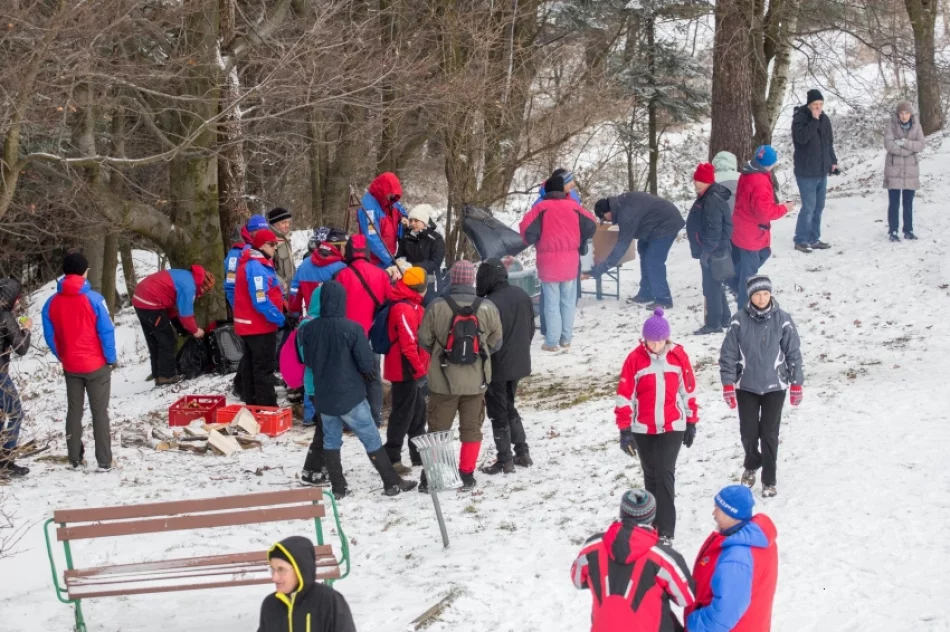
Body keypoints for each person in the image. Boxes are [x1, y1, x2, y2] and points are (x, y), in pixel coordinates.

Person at [298, 280, 416, 497]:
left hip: (324, 394)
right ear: (343, 301)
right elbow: (365, 363)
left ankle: (339, 487)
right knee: (370, 437)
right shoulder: (352, 329)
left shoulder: (308, 330)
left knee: (331, 440)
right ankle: (391, 482)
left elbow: (306, 360)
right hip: (350, 393)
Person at [614, 308, 698, 543]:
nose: (656, 345)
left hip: (672, 425)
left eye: (660, 341)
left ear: (667, 338)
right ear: (644, 339)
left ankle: (666, 531)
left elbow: (688, 391)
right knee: (650, 475)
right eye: (651, 341)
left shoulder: (678, 357)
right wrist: (625, 429)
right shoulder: (635, 359)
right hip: (643, 428)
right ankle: (651, 523)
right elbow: (624, 395)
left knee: (664, 474)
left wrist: (691, 421)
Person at [419, 260, 503, 491]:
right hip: (476, 382)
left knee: (437, 431)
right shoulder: (487, 307)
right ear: (472, 280)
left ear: (453, 279)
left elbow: (424, 339)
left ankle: (432, 476)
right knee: (472, 429)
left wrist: (439, 352)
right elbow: (496, 341)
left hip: (442, 381)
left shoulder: (437, 305)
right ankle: (467, 474)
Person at [720, 276, 803, 497]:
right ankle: (752, 461)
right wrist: (728, 384)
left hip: (775, 385)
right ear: (750, 296)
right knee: (748, 432)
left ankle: (769, 479)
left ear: (771, 294)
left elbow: (793, 353)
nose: (762, 298)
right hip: (746, 385)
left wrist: (796, 383)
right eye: (757, 294)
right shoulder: (739, 320)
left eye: (765, 293)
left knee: (769, 433)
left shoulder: (783, 319)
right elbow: (727, 354)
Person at [571, 489, 695, 631]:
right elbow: (686, 597)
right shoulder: (663, 558)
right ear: (651, 517)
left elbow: (577, 580)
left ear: (621, 513)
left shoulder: (592, 547)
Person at [42, 253, 117, 471]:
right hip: (96, 365)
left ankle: (74, 457)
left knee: (74, 411)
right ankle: (104, 461)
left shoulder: (51, 303)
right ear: (84, 271)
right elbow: (107, 331)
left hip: (71, 365)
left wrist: (62, 355)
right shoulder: (94, 299)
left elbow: (50, 335)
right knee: (99, 412)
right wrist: (110, 358)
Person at [519, 174, 597, 351]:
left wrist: (535, 239)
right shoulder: (574, 207)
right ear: (562, 189)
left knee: (552, 303)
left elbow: (525, 230)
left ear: (546, 190)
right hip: (570, 262)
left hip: (548, 264)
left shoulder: (541, 208)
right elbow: (592, 224)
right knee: (568, 302)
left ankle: (552, 342)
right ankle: (566, 339)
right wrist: (581, 239)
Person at [685, 486, 778, 632]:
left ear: (731, 514)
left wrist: (693, 623)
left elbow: (724, 615)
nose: (713, 513)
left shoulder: (737, 558)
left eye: (718, 509)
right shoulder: (757, 539)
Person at [476, 259, 536, 473]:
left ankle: (505, 459)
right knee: (509, 405)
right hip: (518, 361)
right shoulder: (521, 295)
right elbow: (531, 329)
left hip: (498, 364)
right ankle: (522, 451)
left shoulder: (488, 304)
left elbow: (485, 339)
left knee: (499, 410)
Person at [590, 192, 685, 311]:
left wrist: (600, 269)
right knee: (643, 250)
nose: (607, 221)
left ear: (607, 211)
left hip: (666, 223)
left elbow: (622, 246)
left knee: (653, 261)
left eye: (604, 218)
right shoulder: (620, 205)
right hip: (653, 225)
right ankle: (646, 293)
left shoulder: (625, 213)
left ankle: (664, 299)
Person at [336, 234, 391, 426]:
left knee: (348, 376)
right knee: (373, 376)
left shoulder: (341, 275)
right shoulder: (381, 274)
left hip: (347, 335)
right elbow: (387, 304)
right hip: (372, 334)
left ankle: (349, 419)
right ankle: (375, 416)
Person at [730, 145, 793, 310]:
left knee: (763, 253)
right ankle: (744, 308)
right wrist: (784, 208)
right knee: (749, 274)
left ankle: (731, 280)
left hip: (743, 226)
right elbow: (764, 213)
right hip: (751, 231)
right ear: (769, 164)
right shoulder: (759, 181)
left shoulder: (749, 171)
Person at [132, 264, 214, 386]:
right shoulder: (189, 287)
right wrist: (195, 330)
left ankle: (158, 375)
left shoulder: (185, 276)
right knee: (167, 340)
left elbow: (170, 305)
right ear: (202, 285)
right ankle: (167, 376)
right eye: (205, 290)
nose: (202, 293)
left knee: (154, 341)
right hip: (151, 302)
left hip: (140, 299)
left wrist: (179, 326)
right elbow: (186, 314)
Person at [382, 267, 430, 474]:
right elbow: (409, 345)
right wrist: (420, 372)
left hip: (412, 368)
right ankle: (392, 457)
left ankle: (418, 454)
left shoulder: (413, 305)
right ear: (422, 288)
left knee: (418, 413)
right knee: (402, 414)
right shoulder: (404, 309)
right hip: (404, 370)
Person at [259, 535, 356, 632]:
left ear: (300, 569)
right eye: (272, 569)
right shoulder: (270, 605)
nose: (274, 577)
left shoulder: (329, 601)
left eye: (281, 569)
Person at [234, 229, 285, 406]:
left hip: (250, 325)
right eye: (272, 245)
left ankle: (253, 402)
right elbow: (261, 300)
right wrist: (280, 318)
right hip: (259, 326)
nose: (275, 249)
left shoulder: (257, 263)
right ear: (262, 245)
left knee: (250, 365)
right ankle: (266, 406)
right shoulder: (256, 267)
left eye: (275, 245)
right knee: (263, 368)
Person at [686, 163, 733, 335]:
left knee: (711, 285)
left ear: (708, 181)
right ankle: (724, 317)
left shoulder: (711, 199)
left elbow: (714, 227)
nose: (697, 184)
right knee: (716, 282)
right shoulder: (707, 195)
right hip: (713, 248)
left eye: (701, 180)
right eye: (696, 180)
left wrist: (707, 250)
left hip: (714, 249)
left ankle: (714, 323)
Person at [792, 88, 839, 252]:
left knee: (819, 207)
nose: (818, 107)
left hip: (821, 170)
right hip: (806, 172)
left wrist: (833, 161)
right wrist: (813, 120)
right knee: (808, 207)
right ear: (809, 105)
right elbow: (801, 139)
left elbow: (828, 143)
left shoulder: (825, 119)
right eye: (815, 105)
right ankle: (800, 239)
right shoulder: (800, 119)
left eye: (820, 104)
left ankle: (814, 238)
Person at [0, 278, 32, 478]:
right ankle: (7, 459)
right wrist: (26, 329)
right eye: (18, 298)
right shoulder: (4, 315)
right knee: (15, 413)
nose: (19, 302)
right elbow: (21, 348)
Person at [883, 101, 926, 241]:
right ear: (898, 114)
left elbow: (921, 145)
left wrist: (904, 143)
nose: (904, 116)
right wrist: (907, 151)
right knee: (894, 202)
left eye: (906, 113)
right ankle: (893, 231)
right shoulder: (891, 125)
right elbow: (888, 144)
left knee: (908, 202)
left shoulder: (917, 126)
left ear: (911, 114)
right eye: (901, 113)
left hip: (911, 171)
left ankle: (908, 230)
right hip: (894, 168)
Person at [299, 286, 327, 484]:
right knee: (325, 428)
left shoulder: (311, 322)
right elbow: (306, 357)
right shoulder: (310, 324)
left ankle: (318, 464)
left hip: (318, 383)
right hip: (318, 384)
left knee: (324, 426)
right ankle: (311, 469)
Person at [359, 172, 407, 268]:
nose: (392, 197)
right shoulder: (368, 207)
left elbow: (401, 211)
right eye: (391, 194)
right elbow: (372, 237)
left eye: (394, 195)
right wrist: (389, 259)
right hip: (374, 261)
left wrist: (403, 219)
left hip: (389, 257)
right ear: (383, 190)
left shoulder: (390, 201)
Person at [288, 237, 346, 316]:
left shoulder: (305, 264)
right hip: (334, 318)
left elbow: (294, 289)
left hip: (312, 317)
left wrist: (294, 312)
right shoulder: (341, 266)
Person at [394, 206, 445, 294]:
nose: (413, 223)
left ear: (424, 221)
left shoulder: (436, 238)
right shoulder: (406, 237)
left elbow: (435, 262)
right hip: (411, 282)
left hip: (430, 284)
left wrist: (412, 266)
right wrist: (400, 262)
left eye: (416, 220)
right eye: (411, 221)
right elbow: (400, 256)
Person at [224, 214, 269, 308]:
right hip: (246, 309)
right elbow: (230, 285)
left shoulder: (263, 248)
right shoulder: (235, 254)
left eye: (265, 231)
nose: (263, 234)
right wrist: (239, 310)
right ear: (251, 231)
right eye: (260, 231)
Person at [267, 207, 296, 290]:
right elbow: (267, 268)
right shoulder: (269, 241)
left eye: (288, 222)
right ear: (274, 224)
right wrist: (281, 283)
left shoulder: (285, 239)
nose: (287, 226)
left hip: (289, 288)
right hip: (278, 288)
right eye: (284, 222)